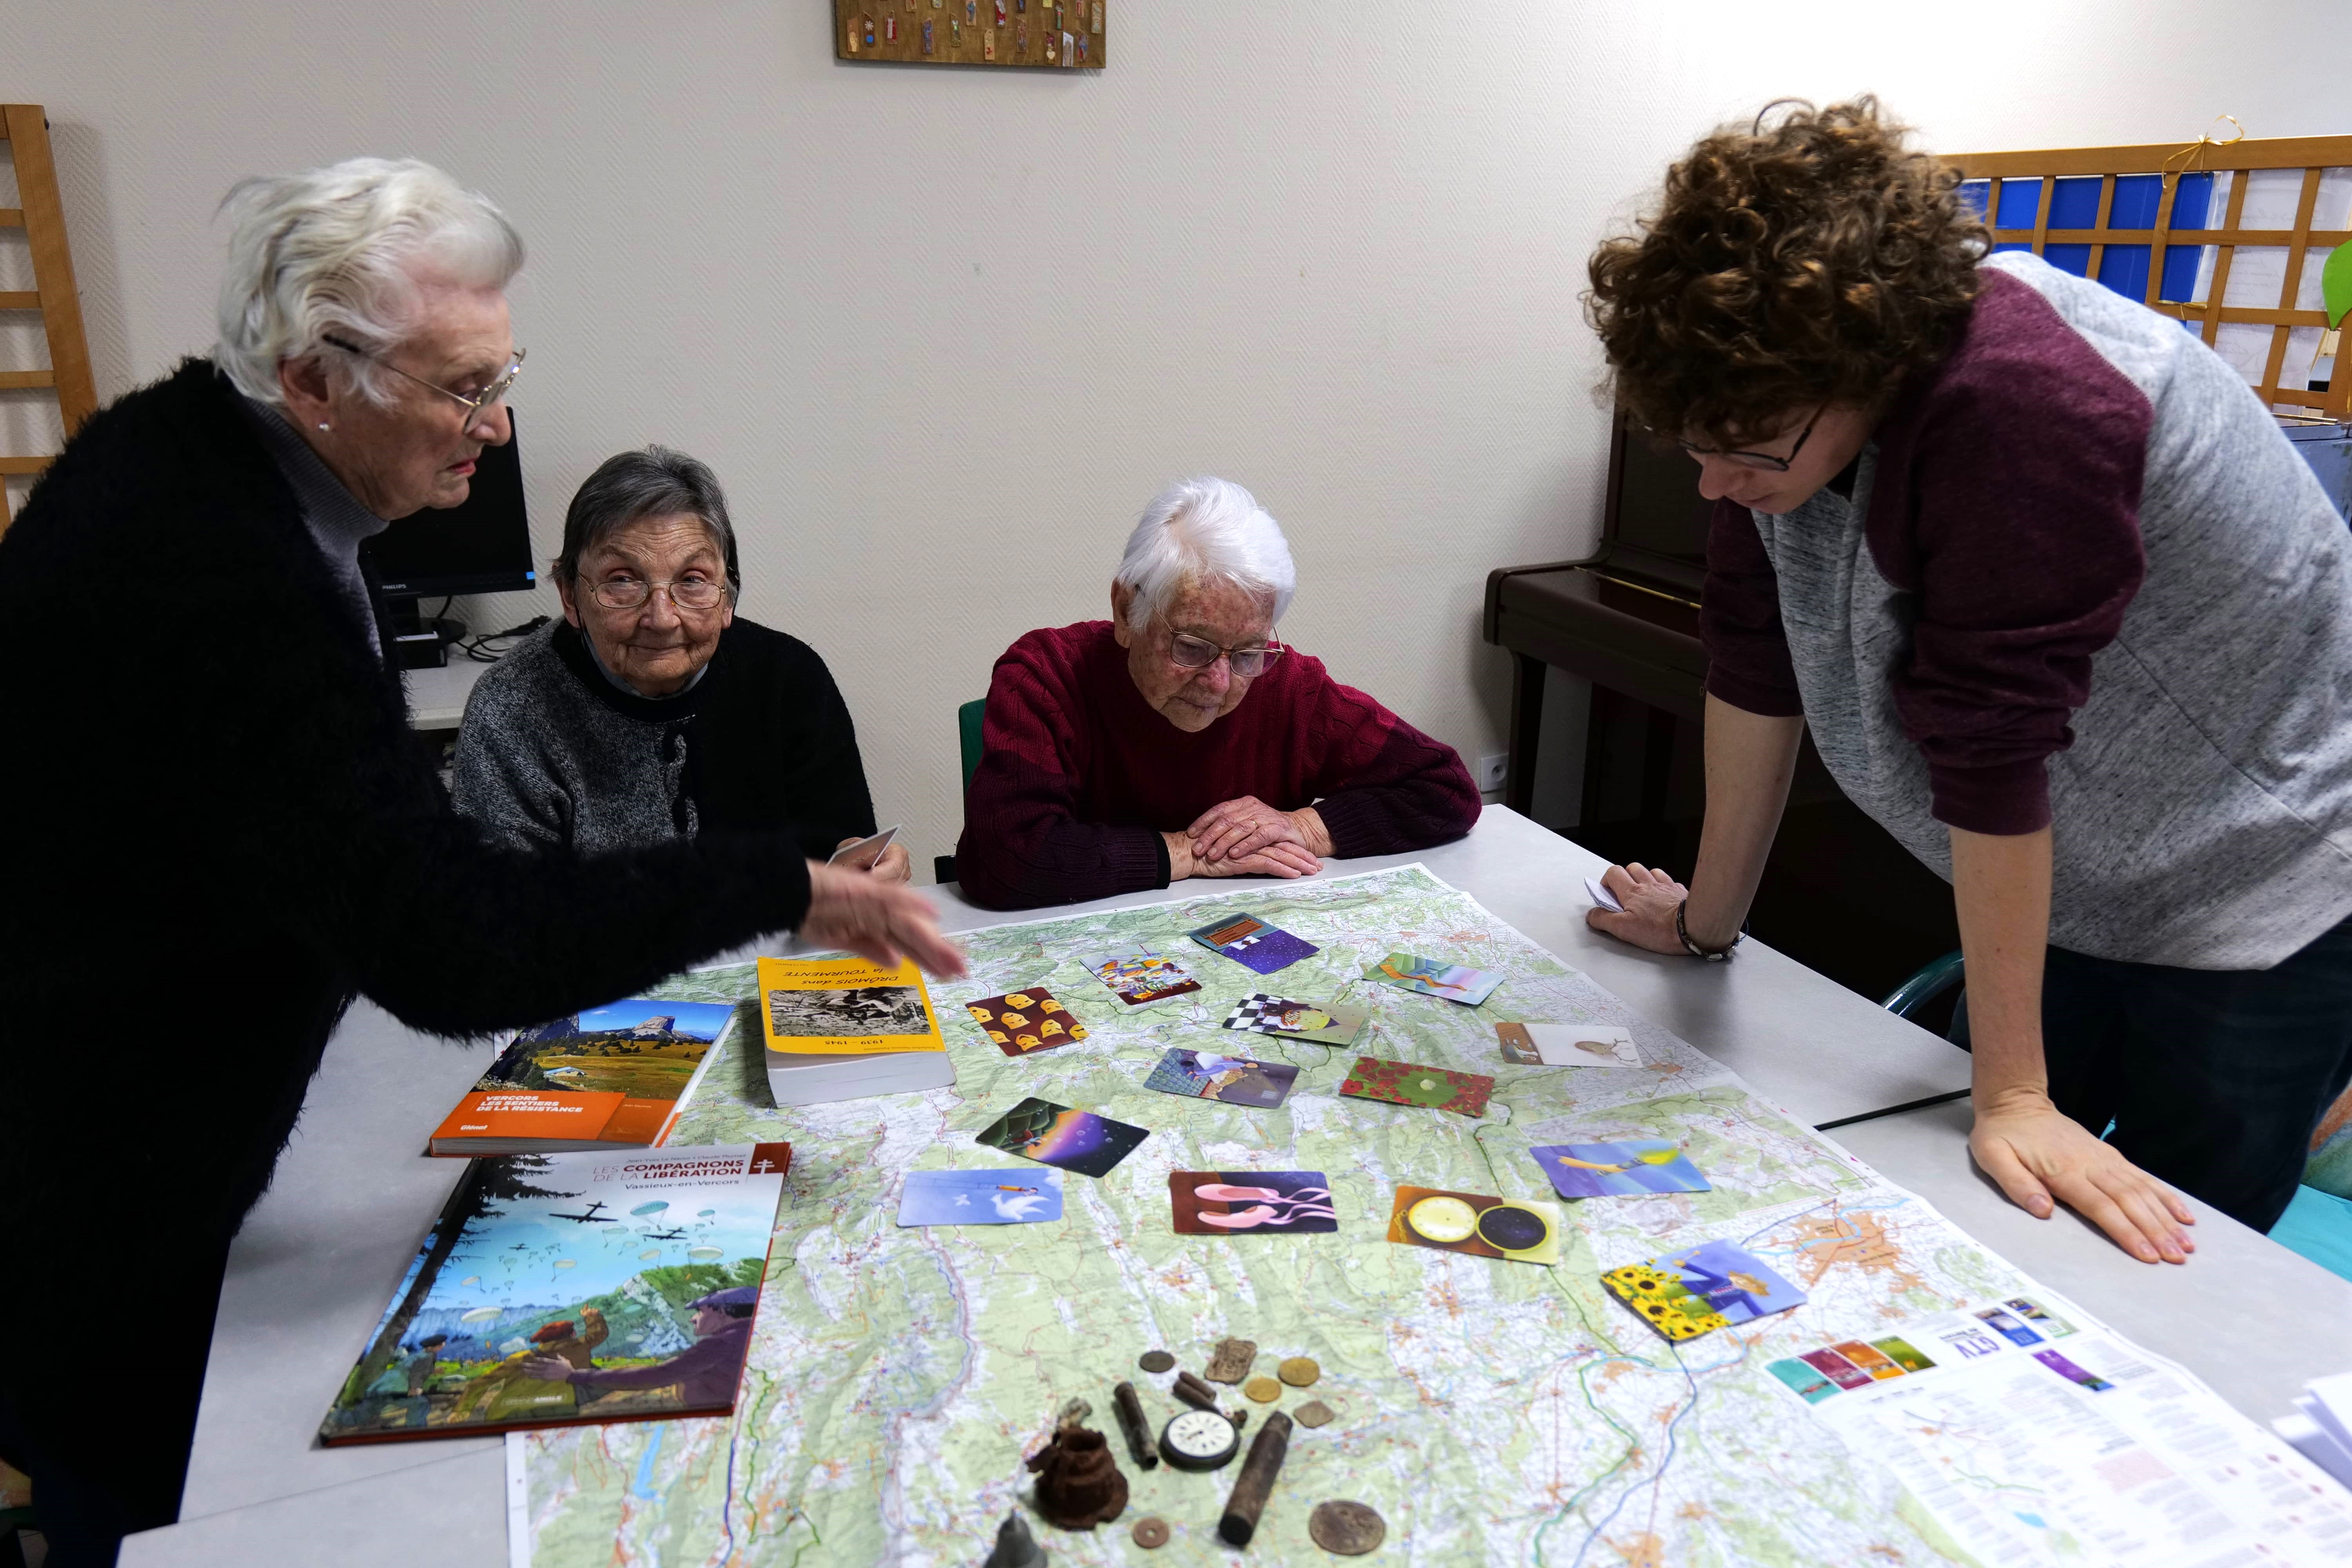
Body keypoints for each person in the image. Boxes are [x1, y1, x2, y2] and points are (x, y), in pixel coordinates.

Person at [0, 158, 960, 1567]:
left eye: (500, 377)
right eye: (462, 388)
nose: (497, 427)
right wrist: (785, 881)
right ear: (314, 378)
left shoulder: (193, 455)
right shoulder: (219, 567)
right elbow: (450, 939)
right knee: (162, 1511)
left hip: (177, 1146)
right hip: (106, 1218)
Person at [1579, 99, 2352, 1267]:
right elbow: (1752, 659)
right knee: (1960, 1218)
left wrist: (2011, 1094)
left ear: (1868, 363)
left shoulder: (2021, 399)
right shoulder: (1758, 418)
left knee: (2165, 1258)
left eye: (1748, 449)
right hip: (2074, 859)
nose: (1714, 483)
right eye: (1692, 445)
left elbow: (1990, 742)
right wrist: (1702, 924)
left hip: (2256, 883)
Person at [954, 477, 1481, 909]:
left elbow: (1445, 788)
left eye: (1248, 653)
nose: (1222, 683)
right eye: (1191, 647)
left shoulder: (1289, 688)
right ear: (1125, 613)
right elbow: (1008, 855)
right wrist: (1189, 853)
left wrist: (1305, 827)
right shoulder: (1047, 675)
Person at [454, 446, 910, 880]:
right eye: (623, 581)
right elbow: (501, 917)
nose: (661, 618)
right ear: (571, 596)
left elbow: (838, 859)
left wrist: (865, 872)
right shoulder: (510, 708)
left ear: (727, 598)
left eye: (692, 580)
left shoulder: (789, 678)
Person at [519, 1287, 757, 1409]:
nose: (694, 1319)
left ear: (723, 1312)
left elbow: (658, 1375)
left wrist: (573, 1375)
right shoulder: (746, 1335)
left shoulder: (720, 1343)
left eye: (701, 1312)